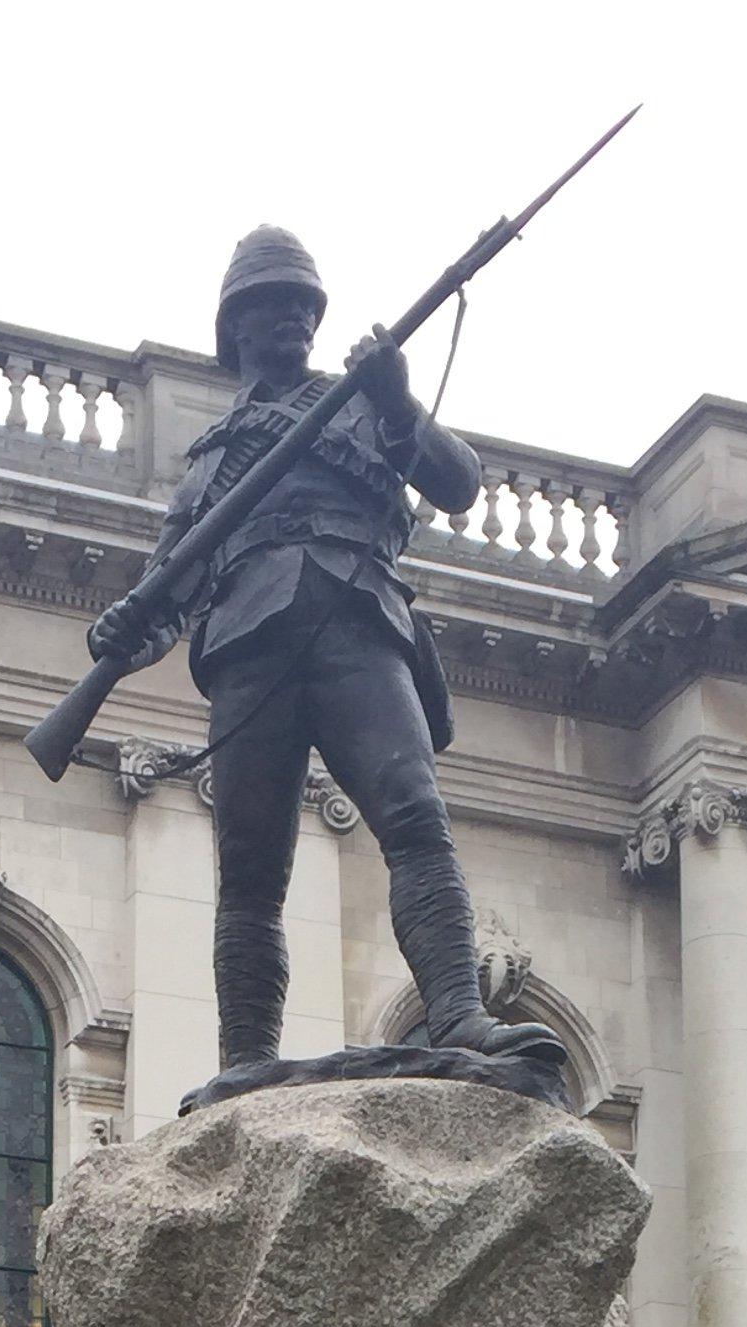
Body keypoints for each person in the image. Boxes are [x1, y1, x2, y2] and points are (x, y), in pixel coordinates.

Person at [91, 226, 564, 1098]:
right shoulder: (211, 461)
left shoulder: (361, 401)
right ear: (236, 327)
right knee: (250, 872)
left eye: (305, 305)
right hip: (249, 650)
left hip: (356, 619)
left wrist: (398, 402)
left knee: (415, 816)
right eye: (274, 305)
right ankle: (245, 1058)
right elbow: (168, 592)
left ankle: (458, 1013)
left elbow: (458, 481)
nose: (295, 320)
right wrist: (123, 632)